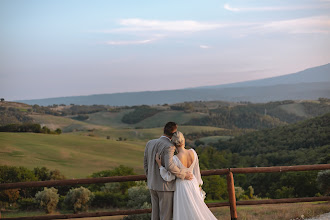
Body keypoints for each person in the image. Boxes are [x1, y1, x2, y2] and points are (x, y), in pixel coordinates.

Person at [155, 131, 217, 220]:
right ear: (183, 141)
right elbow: (197, 171)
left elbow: (169, 176)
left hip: (181, 186)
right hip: (193, 182)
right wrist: (199, 184)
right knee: (196, 209)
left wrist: (160, 165)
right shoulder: (193, 152)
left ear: (174, 144)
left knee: (185, 212)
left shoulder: (175, 159)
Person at [144, 122, 193, 220]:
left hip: (152, 185)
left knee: (155, 216)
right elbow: (170, 166)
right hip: (165, 186)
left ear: (164, 129)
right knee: (165, 216)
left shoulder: (150, 143)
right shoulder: (169, 146)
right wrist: (183, 175)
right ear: (174, 133)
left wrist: (150, 178)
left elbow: (145, 164)